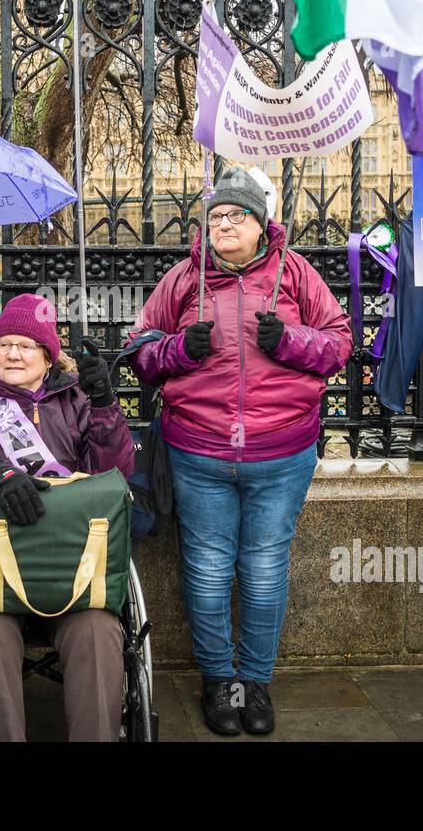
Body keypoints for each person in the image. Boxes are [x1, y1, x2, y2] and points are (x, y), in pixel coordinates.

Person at [128, 167, 351, 736]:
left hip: (281, 452)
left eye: (236, 215)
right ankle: (218, 680)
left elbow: (341, 342)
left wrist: (291, 341)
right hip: (198, 451)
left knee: (264, 567)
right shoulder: (183, 280)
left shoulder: (296, 274)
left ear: (260, 224)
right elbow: (140, 351)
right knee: (205, 568)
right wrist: (177, 350)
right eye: (216, 217)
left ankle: (255, 680)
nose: (224, 224)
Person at [0, 293, 135, 741]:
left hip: (73, 564)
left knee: (99, 632)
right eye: (4, 344)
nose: (13, 353)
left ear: (47, 355)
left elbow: (114, 473)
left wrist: (103, 405)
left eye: (26, 345)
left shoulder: (76, 401)